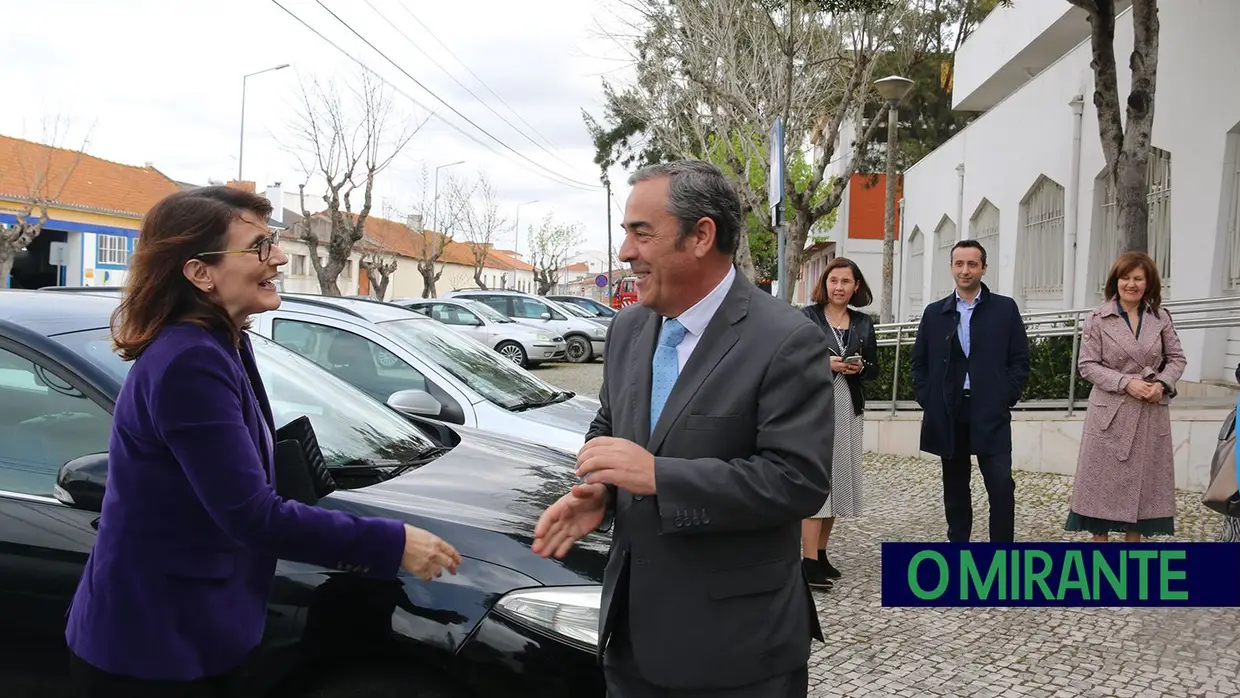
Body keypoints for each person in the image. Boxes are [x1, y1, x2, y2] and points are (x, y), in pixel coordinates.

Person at [64, 186, 462, 696]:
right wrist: (393, 543)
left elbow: (235, 471)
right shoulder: (189, 362)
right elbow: (250, 514)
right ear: (200, 273)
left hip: (196, 634)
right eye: (258, 246)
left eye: (272, 242)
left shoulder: (224, 342)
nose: (276, 256)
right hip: (154, 649)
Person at [531, 160, 834, 697]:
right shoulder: (627, 327)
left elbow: (798, 481)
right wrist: (600, 488)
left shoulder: (784, 338)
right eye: (626, 233)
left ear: (701, 236)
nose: (625, 252)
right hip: (630, 639)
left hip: (737, 651)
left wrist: (659, 477)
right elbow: (609, 426)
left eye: (640, 233)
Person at [911, 240, 1029, 543]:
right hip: (950, 411)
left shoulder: (1005, 309)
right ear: (951, 267)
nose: (965, 270)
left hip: (991, 409)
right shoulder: (934, 313)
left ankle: (1001, 556)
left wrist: (1007, 394)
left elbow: (1019, 359)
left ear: (983, 268)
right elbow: (918, 363)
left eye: (972, 264)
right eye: (959, 264)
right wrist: (928, 398)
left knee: (1001, 485)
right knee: (955, 488)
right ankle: (959, 551)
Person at [1066, 252, 1186, 541]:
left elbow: (1177, 359)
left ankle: (1131, 565)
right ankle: (1101, 568)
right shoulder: (1097, 319)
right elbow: (1087, 365)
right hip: (1109, 414)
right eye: (1125, 278)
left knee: (1142, 491)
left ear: (1148, 283)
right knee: (1100, 491)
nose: (1130, 284)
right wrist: (1125, 383)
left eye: (1138, 278)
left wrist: (1162, 384)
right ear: (1115, 281)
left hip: (1149, 411)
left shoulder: (1160, 317)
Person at [799, 257, 878, 587]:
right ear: (825, 283)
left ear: (856, 286)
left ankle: (821, 552)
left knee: (838, 480)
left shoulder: (862, 322)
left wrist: (860, 367)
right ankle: (807, 562)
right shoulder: (807, 318)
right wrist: (825, 363)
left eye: (846, 281)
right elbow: (792, 361)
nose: (839, 287)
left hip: (849, 406)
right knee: (818, 480)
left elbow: (875, 369)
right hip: (816, 407)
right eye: (834, 281)